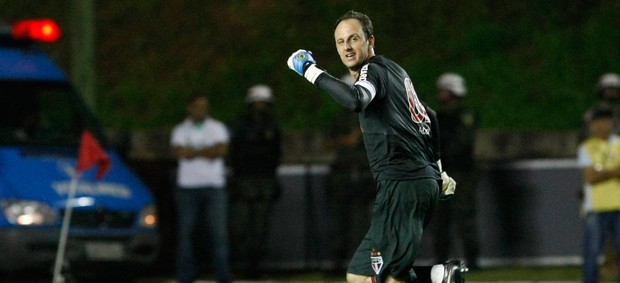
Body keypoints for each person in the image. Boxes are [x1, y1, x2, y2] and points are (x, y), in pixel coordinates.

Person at [287, 10, 465, 283]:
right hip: (417, 182)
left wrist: (310, 71)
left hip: (401, 184)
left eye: (353, 38)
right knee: (376, 275)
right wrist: (439, 171)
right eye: (340, 41)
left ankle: (441, 278)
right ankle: (440, 277)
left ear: (371, 41)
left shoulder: (372, 71)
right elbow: (431, 116)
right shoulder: (396, 71)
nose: (346, 46)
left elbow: (357, 99)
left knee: (372, 277)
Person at [170, 94, 231, 283]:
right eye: (197, 106)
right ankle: (186, 277)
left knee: (219, 234)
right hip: (187, 188)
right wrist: (207, 151)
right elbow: (179, 152)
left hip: (214, 187)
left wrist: (193, 152)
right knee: (186, 234)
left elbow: (220, 151)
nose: (201, 110)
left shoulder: (217, 127)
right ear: (190, 108)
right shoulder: (181, 130)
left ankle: (223, 277)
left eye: (204, 106)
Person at [228, 84, 282, 279]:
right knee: (238, 228)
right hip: (244, 181)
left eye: (264, 102)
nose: (261, 106)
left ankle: (254, 268)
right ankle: (232, 265)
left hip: (264, 181)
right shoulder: (240, 125)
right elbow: (233, 154)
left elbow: (276, 154)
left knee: (259, 230)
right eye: (258, 102)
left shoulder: (272, 125)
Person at [429, 73, 481, 269]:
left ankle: (473, 261)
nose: (440, 94)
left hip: (461, 173)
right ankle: (440, 260)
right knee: (441, 221)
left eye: (443, 90)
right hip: (443, 173)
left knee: (465, 218)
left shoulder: (464, 115)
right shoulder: (439, 117)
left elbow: (461, 143)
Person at [325, 75, 375, 273]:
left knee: (361, 224)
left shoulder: (372, 116)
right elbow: (330, 143)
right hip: (343, 175)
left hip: (363, 175)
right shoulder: (341, 118)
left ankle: (361, 264)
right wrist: (349, 139)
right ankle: (338, 263)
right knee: (340, 223)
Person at [577, 106, 620, 283]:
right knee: (592, 252)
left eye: (605, 121)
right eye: (597, 122)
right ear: (592, 125)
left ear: (612, 123)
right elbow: (590, 177)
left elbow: (596, 174)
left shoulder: (618, 143)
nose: (601, 125)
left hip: (618, 205)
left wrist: (601, 170)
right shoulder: (587, 147)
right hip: (595, 207)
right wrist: (613, 171)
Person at [581, 73, 620, 140]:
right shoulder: (593, 113)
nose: (612, 92)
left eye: (615, 90)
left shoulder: (618, 112)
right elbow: (586, 135)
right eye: (609, 89)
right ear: (602, 91)